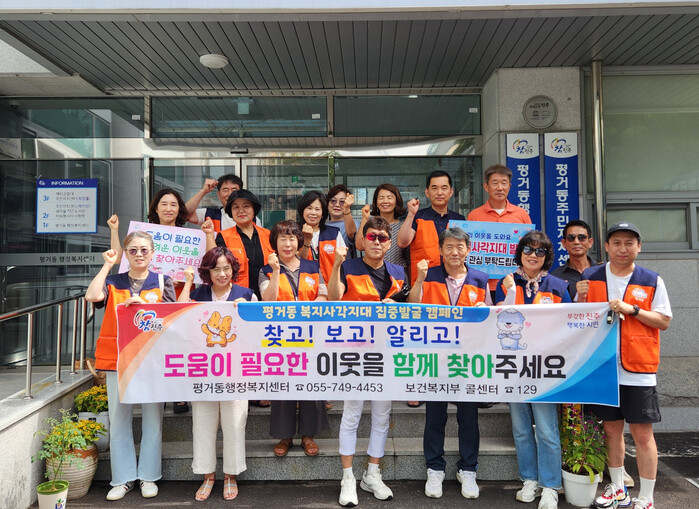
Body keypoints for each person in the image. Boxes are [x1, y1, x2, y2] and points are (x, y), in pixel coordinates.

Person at [578, 222, 672, 509]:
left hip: (638, 369)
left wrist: (634, 310)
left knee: (643, 435)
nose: (623, 248)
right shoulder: (591, 276)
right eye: (616, 242)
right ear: (606, 247)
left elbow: (664, 321)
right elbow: (577, 317)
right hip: (603, 368)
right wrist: (579, 295)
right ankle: (618, 489)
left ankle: (647, 497)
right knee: (611, 430)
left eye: (629, 243)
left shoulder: (651, 279)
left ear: (638, 247)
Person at [85, 231, 175, 501]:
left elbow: (172, 320)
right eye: (133, 250)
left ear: (152, 253)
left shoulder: (163, 281)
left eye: (144, 250)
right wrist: (107, 265)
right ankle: (123, 479)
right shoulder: (113, 281)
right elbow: (92, 295)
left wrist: (145, 307)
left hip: (151, 360)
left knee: (152, 420)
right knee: (119, 419)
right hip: (117, 358)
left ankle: (148, 476)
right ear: (125, 253)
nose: (139, 254)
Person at [328, 216, 410, 507]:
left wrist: (396, 304)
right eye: (371, 236)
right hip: (355, 352)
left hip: (388, 353)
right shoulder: (348, 266)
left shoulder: (398, 271)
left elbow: (410, 308)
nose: (377, 242)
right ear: (362, 240)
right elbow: (333, 300)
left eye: (382, 238)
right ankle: (347, 477)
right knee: (352, 413)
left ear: (389, 243)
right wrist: (336, 264)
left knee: (382, 415)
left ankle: (372, 473)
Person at [408, 227, 490, 500]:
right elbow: (412, 306)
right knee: (435, 416)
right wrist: (419, 279)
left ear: (468, 249)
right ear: (440, 250)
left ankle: (468, 469)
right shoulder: (429, 274)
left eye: (460, 246)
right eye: (449, 247)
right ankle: (434, 468)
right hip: (435, 359)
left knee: (469, 417)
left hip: (467, 360)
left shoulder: (480, 279)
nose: (455, 252)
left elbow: (489, 317)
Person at [495, 230, 571, 509]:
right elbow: (497, 320)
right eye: (528, 249)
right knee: (521, 428)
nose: (533, 255)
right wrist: (509, 292)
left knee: (547, 429)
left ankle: (550, 485)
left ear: (547, 256)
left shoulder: (558, 286)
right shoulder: (506, 282)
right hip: (513, 367)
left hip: (545, 368)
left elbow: (570, 325)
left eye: (540, 251)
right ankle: (529, 479)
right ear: (520, 253)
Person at [178, 247, 256, 501]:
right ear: (207, 272)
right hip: (203, 373)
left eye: (226, 268)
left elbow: (258, 334)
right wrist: (187, 283)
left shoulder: (246, 295)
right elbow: (178, 316)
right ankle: (207, 475)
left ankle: (231, 475)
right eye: (216, 269)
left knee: (234, 424)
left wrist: (247, 312)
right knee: (202, 424)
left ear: (234, 269)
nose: (222, 274)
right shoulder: (197, 294)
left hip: (236, 373)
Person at [259, 220, 329, 457]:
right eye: (282, 239)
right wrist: (277, 272)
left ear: (299, 242)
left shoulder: (312, 266)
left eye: (291, 238)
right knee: (283, 385)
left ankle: (308, 436)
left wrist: (312, 310)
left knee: (311, 382)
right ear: (275, 243)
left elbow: (323, 294)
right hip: (280, 337)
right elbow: (268, 300)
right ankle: (285, 436)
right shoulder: (266, 270)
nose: (287, 244)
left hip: (310, 334)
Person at [397, 170, 464, 284]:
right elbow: (402, 242)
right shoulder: (418, 216)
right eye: (434, 188)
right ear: (427, 192)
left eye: (444, 188)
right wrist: (411, 214)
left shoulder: (460, 220)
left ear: (451, 192)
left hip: (454, 281)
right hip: (424, 281)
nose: (439, 193)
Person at [205, 189, 274, 299]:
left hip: (267, 297)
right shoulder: (224, 236)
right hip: (237, 298)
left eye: (246, 206)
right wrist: (209, 234)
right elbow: (213, 261)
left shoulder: (269, 235)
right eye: (236, 207)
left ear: (254, 209)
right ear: (231, 212)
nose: (241, 211)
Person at [296, 190, 346, 283]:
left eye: (317, 209)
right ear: (302, 210)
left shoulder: (333, 233)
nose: (313, 213)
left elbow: (342, 263)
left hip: (330, 287)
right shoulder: (294, 234)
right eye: (309, 208)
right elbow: (296, 263)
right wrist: (306, 241)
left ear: (323, 213)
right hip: (304, 287)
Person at [355, 183, 408, 270]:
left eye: (389, 198)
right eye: (381, 198)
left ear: (396, 202)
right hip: (372, 273)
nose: (385, 201)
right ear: (376, 202)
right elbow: (360, 246)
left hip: (397, 274)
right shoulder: (370, 224)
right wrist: (365, 218)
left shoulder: (403, 226)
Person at [186, 174, 261, 231]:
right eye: (225, 190)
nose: (230, 194)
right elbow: (185, 214)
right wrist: (203, 191)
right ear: (218, 194)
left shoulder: (253, 219)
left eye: (234, 190)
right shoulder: (209, 215)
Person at [467, 164, 533, 224]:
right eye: (495, 183)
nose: (500, 188)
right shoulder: (474, 216)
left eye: (504, 183)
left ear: (509, 187)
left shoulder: (522, 214)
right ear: (486, 187)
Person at [550, 219, 598, 300]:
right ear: (564, 243)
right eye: (571, 238)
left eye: (582, 237)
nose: (576, 242)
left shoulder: (603, 270)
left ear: (590, 242)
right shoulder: (555, 277)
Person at [326, 184, 359, 255]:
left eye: (342, 202)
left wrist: (347, 209)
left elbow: (351, 234)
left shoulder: (354, 224)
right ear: (327, 204)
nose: (337, 205)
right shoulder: (322, 226)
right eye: (333, 201)